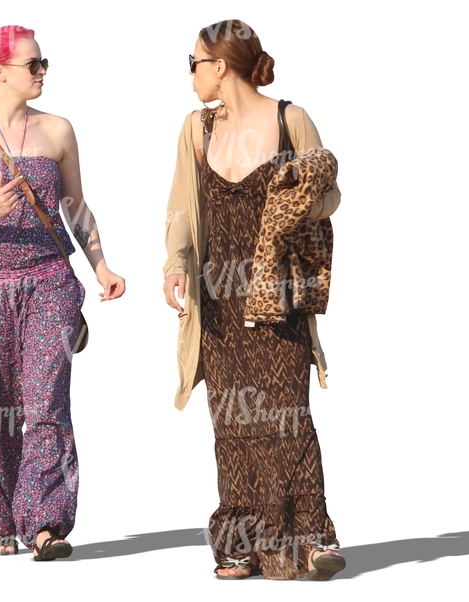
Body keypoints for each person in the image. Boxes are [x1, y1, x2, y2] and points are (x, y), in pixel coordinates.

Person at [163, 19, 345, 580]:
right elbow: (182, 208)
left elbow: (330, 192)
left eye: (194, 61)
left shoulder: (292, 118)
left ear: (221, 66)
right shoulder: (196, 128)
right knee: (232, 422)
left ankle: (310, 540)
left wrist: (297, 208)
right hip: (218, 299)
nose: (190, 73)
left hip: (278, 294)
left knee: (288, 417)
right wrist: (175, 262)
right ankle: (240, 541)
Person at [0, 25, 125, 560]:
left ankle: (45, 523)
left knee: (45, 402)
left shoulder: (58, 130)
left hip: (48, 281)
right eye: (33, 64)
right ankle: (3, 513)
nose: (42, 72)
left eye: (45, 63)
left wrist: (101, 266)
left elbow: (76, 206)